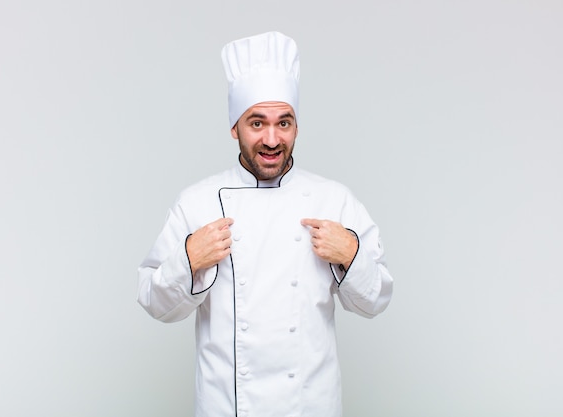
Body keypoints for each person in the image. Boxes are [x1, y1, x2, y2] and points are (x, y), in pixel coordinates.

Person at [137, 31, 393, 417]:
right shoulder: (197, 202)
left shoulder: (333, 200)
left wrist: (352, 256)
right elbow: (155, 303)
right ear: (234, 128)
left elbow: (376, 301)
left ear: (296, 126)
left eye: (283, 123)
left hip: (311, 406)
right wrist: (187, 262)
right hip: (228, 406)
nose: (272, 139)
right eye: (256, 123)